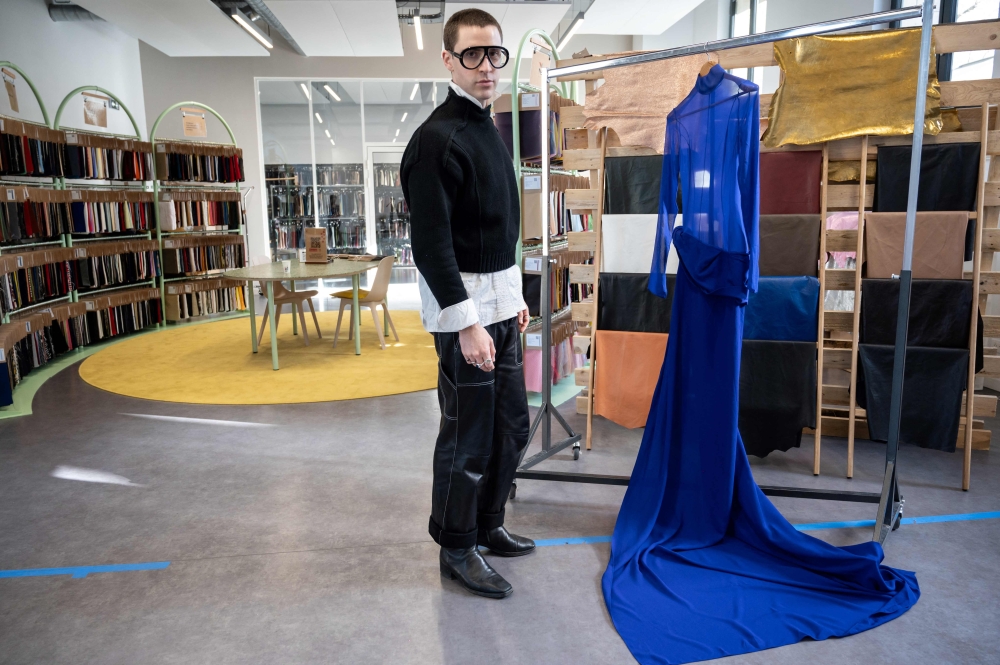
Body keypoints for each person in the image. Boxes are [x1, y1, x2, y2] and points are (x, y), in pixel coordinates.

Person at [400, 8, 533, 600]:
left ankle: (487, 523)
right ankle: (456, 545)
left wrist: (518, 297)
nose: (487, 66)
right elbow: (430, 246)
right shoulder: (435, 140)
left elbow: (499, 229)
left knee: (511, 426)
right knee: (469, 434)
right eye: (473, 54)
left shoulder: (489, 127)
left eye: (495, 54)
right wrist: (469, 325)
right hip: (467, 319)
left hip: (501, 307)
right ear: (449, 59)